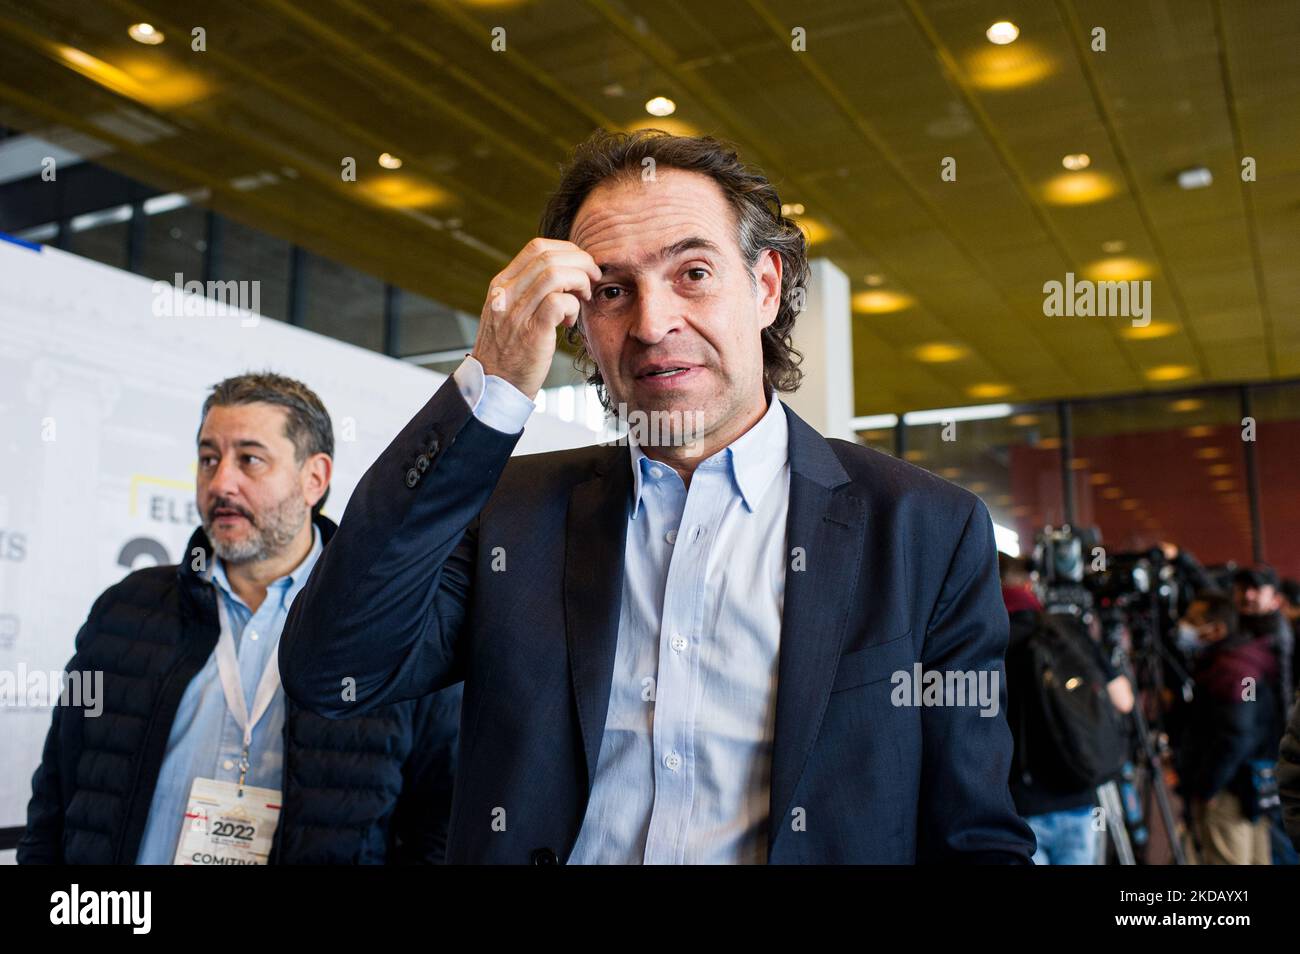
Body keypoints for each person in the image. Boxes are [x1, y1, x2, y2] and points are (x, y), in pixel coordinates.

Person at [280, 129, 1035, 864]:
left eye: (693, 273)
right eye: (612, 290)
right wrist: (491, 386)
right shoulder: (512, 514)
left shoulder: (923, 529)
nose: (652, 323)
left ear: (765, 287)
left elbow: (973, 838)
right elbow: (333, 668)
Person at [19, 373, 463, 865]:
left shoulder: (393, 626)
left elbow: (440, 826)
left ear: (314, 478)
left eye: (250, 459)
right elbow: (54, 803)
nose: (221, 482)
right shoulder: (126, 609)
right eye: (209, 459)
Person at [1000, 555, 1133, 864]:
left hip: (1017, 805)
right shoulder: (1066, 630)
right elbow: (1123, 701)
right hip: (1077, 794)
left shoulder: (986, 637)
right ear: (1031, 584)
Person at [1175, 591, 1277, 864]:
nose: (1183, 625)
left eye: (1193, 620)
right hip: (1250, 784)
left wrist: (1208, 786)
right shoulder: (1245, 657)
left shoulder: (1233, 671)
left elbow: (1236, 734)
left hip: (1229, 790)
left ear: (1217, 629)